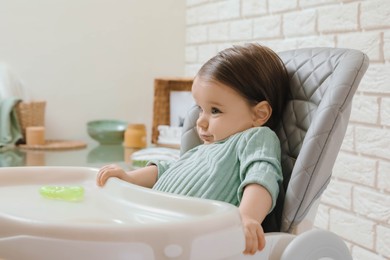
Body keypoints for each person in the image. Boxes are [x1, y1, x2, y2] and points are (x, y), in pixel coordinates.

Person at [97, 43, 290, 255]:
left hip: (185, 244)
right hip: (150, 225)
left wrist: (246, 218)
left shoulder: (255, 138)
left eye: (215, 111)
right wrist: (130, 178)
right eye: (200, 109)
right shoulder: (204, 149)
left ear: (259, 114)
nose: (201, 122)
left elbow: (261, 175)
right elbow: (168, 168)